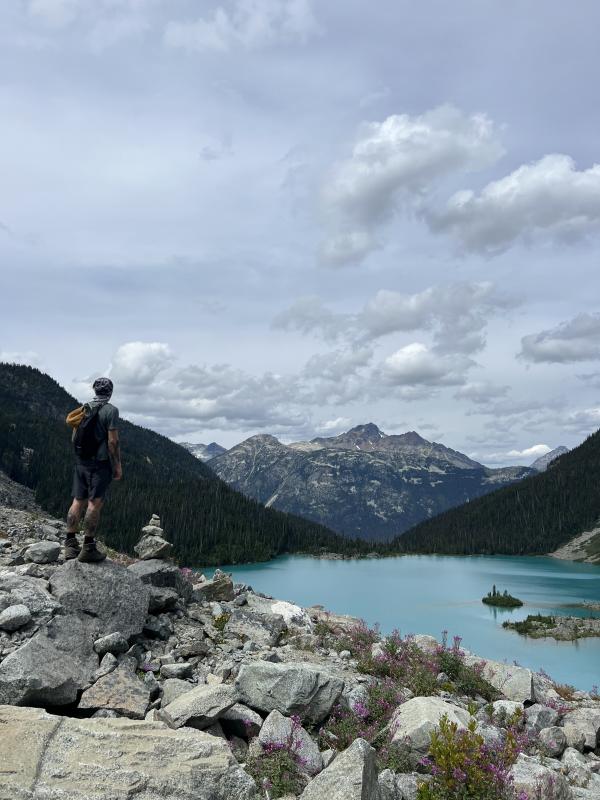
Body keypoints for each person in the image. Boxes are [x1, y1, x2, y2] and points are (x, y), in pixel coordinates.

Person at [63, 377, 122, 562]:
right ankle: (88, 547)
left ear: (95, 391)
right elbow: (113, 441)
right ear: (110, 392)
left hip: (81, 461)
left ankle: (70, 545)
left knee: (77, 501)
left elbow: (75, 436)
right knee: (94, 504)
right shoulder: (110, 410)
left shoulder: (84, 408)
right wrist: (117, 465)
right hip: (99, 464)